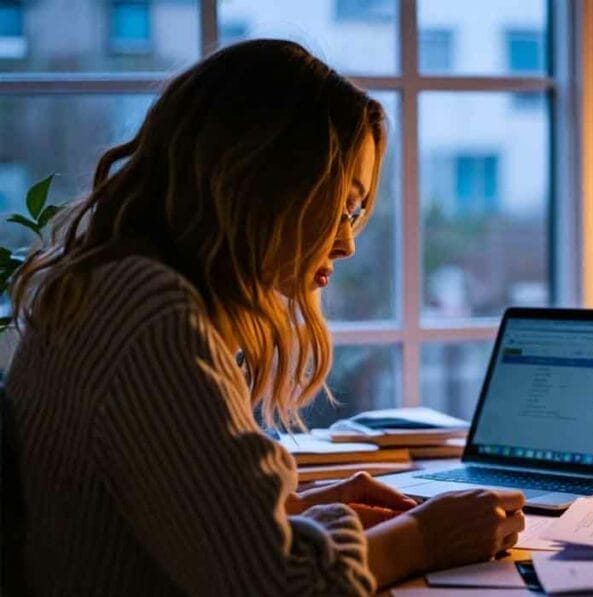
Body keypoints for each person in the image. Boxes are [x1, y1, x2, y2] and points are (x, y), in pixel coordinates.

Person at [4, 39, 524, 596]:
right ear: (264, 183)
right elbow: (278, 586)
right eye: (340, 204)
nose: (347, 242)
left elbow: (168, 519)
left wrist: (301, 506)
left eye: (356, 212)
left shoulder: (107, 289)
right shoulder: (152, 317)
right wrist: (425, 535)